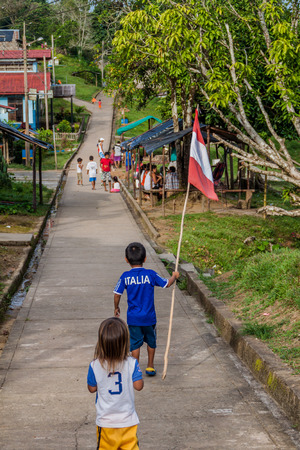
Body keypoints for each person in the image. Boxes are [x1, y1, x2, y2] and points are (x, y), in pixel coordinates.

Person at [113, 242, 179, 376]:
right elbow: (166, 284)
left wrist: (116, 307)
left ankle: (135, 369)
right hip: (149, 318)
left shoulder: (125, 276)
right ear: (145, 259)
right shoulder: (151, 274)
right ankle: (150, 366)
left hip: (134, 318)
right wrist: (174, 276)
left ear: (126, 260)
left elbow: (117, 294)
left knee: (135, 344)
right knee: (151, 341)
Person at [87, 317, 143, 450]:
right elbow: (138, 386)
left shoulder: (94, 365)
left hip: (106, 423)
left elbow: (91, 388)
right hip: (128, 422)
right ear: (124, 342)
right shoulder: (132, 363)